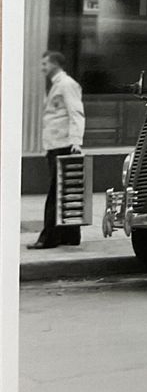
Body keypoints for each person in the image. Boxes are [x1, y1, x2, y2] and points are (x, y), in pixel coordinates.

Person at [27, 51, 85, 249]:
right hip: (55, 145)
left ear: (54, 64)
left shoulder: (67, 84)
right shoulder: (58, 85)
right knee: (65, 191)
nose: (42, 67)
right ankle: (69, 236)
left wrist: (76, 141)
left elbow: (76, 112)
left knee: (56, 193)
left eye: (45, 63)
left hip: (64, 145)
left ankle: (48, 238)